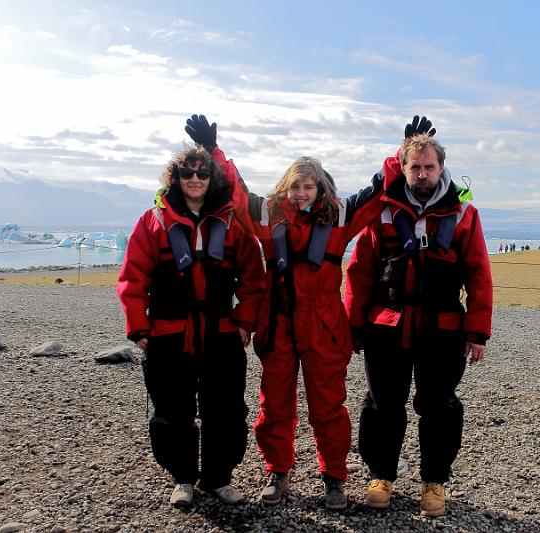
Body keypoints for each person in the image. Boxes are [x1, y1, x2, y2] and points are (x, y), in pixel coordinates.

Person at [184, 114, 431, 510]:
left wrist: (402, 151)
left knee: (329, 408)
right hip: (278, 327)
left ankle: (334, 477)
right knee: (274, 406)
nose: (301, 193)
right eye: (295, 186)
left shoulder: (340, 218)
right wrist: (214, 152)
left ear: (321, 188)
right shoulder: (268, 216)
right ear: (286, 187)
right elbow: (233, 190)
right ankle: (277, 472)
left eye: (308, 186)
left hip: (324, 330)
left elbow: (379, 189)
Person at [344, 127, 493, 517]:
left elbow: (479, 274)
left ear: (442, 168)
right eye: (415, 167)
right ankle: (381, 477)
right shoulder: (384, 210)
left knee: (439, 405)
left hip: (442, 329)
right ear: (404, 168)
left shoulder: (463, 214)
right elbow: (359, 272)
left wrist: (477, 333)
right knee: (382, 404)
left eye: (429, 166)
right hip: (387, 327)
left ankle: (434, 482)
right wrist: (353, 327)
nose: (422, 174)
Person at [117, 146, 265, 508]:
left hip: (221, 333)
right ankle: (182, 478)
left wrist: (244, 322)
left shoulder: (233, 222)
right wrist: (139, 330)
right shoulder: (154, 221)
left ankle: (219, 477)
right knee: (172, 412)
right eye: (187, 173)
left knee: (227, 410)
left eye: (202, 173)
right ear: (176, 177)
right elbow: (132, 278)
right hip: (168, 334)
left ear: (213, 178)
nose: (195, 179)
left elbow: (253, 278)